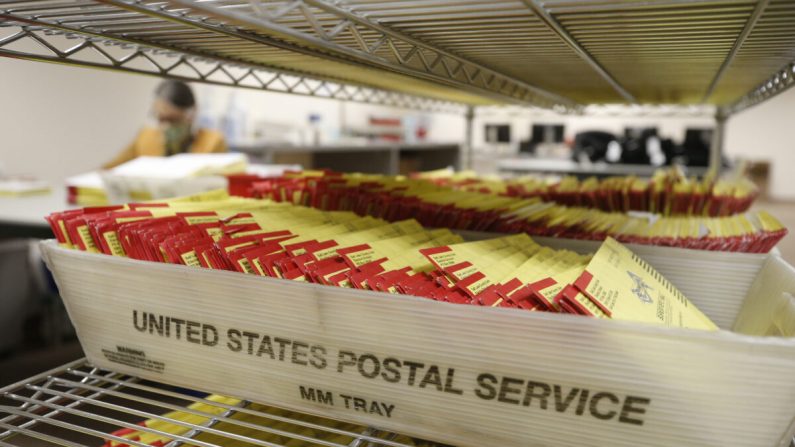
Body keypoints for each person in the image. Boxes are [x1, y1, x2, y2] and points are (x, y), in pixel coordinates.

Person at [103, 80, 227, 169]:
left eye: (172, 119)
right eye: (160, 119)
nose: (165, 126)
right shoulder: (146, 137)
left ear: (191, 114)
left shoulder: (213, 142)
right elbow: (110, 169)